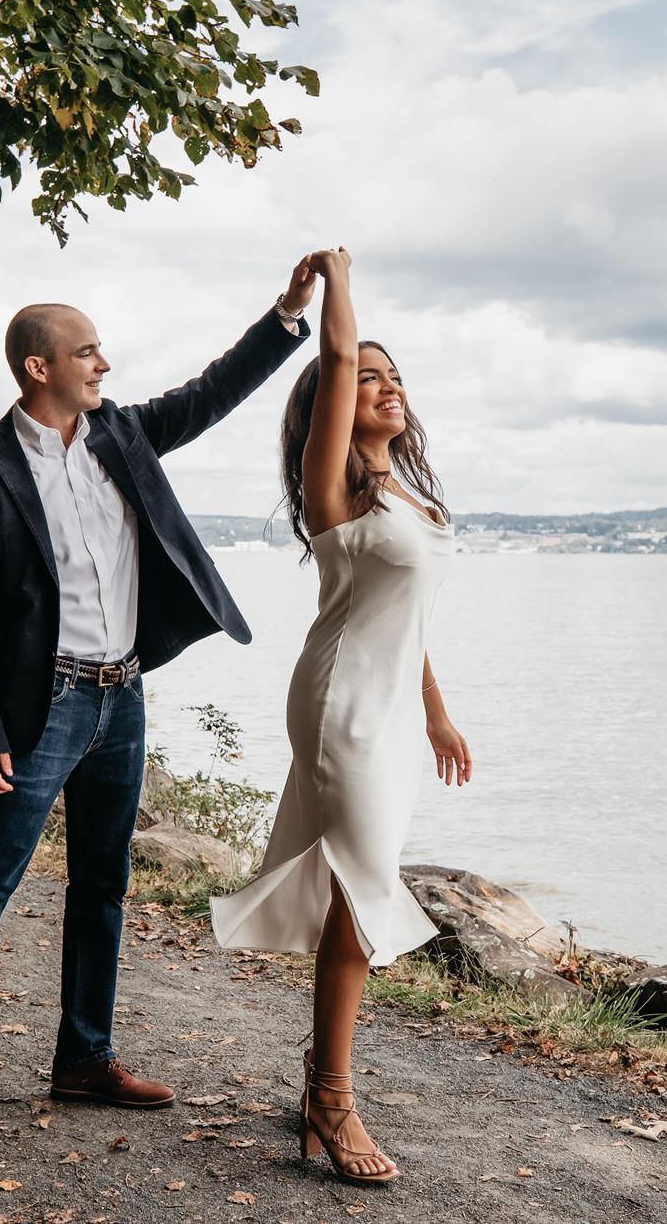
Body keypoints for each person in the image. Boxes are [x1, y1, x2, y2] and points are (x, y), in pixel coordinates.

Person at [0, 261, 315, 1152]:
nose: (103, 364)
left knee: (103, 882)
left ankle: (83, 1055)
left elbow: (212, 392)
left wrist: (286, 315)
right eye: (87, 352)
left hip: (122, 696)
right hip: (42, 708)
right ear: (39, 367)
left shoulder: (123, 434)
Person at [210, 247, 473, 1184]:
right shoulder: (335, 489)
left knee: (358, 887)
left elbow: (410, 620)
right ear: (332, 398)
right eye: (367, 377)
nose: (387, 385)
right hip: (341, 702)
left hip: (393, 707)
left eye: (394, 375)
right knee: (363, 888)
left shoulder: (408, 495)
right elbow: (332, 353)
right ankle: (331, 1095)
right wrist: (336, 282)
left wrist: (437, 715)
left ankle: (324, 1084)